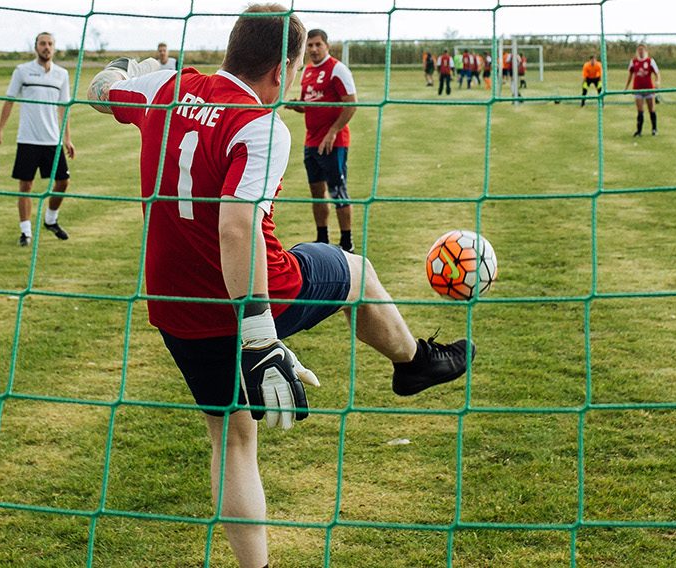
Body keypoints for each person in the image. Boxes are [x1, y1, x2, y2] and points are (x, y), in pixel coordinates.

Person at [89, 5, 472, 566]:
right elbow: (236, 226)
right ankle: (415, 361)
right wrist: (260, 337)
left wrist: (130, 67)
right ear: (279, 71)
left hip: (176, 306)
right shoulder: (260, 122)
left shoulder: (167, 88)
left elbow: (103, 88)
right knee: (357, 272)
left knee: (233, 439)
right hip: (259, 293)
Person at [0, 31, 76, 247]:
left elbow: (64, 108)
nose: (46, 47)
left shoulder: (62, 74)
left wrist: (67, 138)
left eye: (50, 44)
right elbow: (9, 100)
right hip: (28, 139)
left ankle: (51, 219)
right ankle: (25, 232)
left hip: (52, 141)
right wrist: (0, 130)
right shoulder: (22, 71)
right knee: (26, 186)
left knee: (63, 182)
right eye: (42, 43)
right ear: (35, 47)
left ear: (54, 48)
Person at [289, 28, 358, 252]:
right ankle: (322, 239)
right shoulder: (307, 71)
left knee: (337, 191)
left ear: (327, 45)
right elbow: (309, 104)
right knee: (317, 193)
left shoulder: (337, 69)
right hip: (311, 142)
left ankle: (347, 242)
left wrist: (333, 131)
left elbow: (351, 103)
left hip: (333, 144)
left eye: (318, 44)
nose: (314, 49)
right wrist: (295, 105)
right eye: (310, 45)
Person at [626, 44, 660, 136]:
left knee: (651, 109)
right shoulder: (634, 61)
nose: (641, 52)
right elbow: (630, 74)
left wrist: (657, 82)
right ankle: (639, 131)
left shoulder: (650, 61)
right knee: (640, 110)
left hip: (649, 88)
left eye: (642, 50)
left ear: (645, 51)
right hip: (638, 89)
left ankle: (654, 129)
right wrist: (626, 86)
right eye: (639, 50)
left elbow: (657, 73)